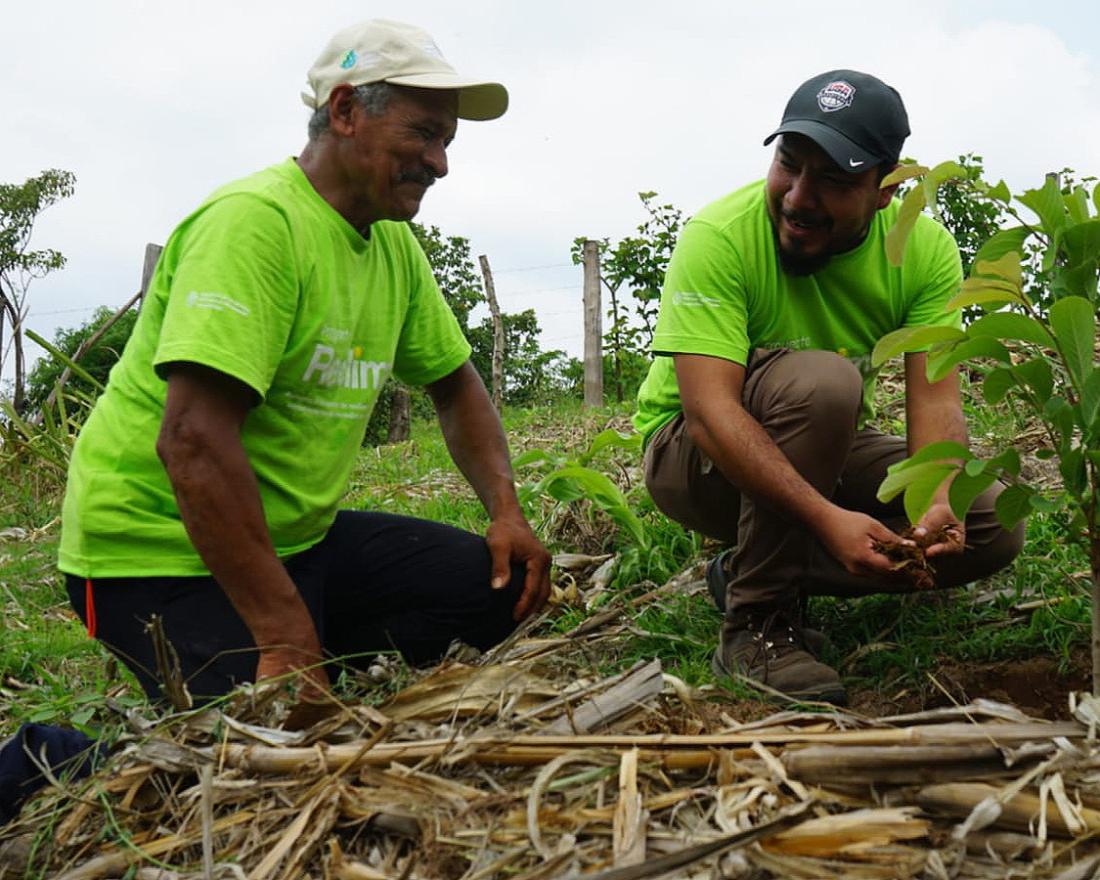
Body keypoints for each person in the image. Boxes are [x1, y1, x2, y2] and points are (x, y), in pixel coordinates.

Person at [57, 19, 550, 710]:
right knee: (254, 734)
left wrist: (506, 512)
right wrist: (284, 634)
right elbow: (192, 442)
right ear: (345, 111)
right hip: (154, 554)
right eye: (424, 134)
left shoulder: (390, 243)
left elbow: (455, 385)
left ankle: (306, 654)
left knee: (497, 594)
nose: (440, 164)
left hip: (296, 544)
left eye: (446, 142)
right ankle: (44, 764)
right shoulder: (254, 225)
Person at [633, 70, 1024, 705]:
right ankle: (758, 624)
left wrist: (936, 500)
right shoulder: (720, 236)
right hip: (691, 456)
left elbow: (936, 397)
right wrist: (825, 518)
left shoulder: (923, 252)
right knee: (825, 383)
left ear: (885, 191)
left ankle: (741, 572)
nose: (798, 197)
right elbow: (707, 413)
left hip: (822, 441)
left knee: (989, 524)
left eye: (835, 181)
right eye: (789, 164)